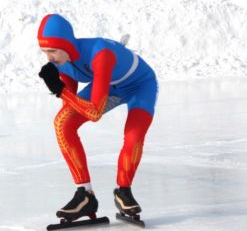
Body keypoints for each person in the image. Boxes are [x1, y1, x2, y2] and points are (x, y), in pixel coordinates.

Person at [36, 13, 158, 220]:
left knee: (133, 136)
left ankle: (124, 192)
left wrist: (60, 90)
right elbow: (69, 105)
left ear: (66, 46)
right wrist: (62, 90)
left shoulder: (101, 54)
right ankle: (85, 195)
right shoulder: (61, 62)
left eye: (52, 51)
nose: (48, 58)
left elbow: (94, 112)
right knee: (62, 123)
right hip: (110, 86)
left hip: (140, 86)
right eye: (45, 52)